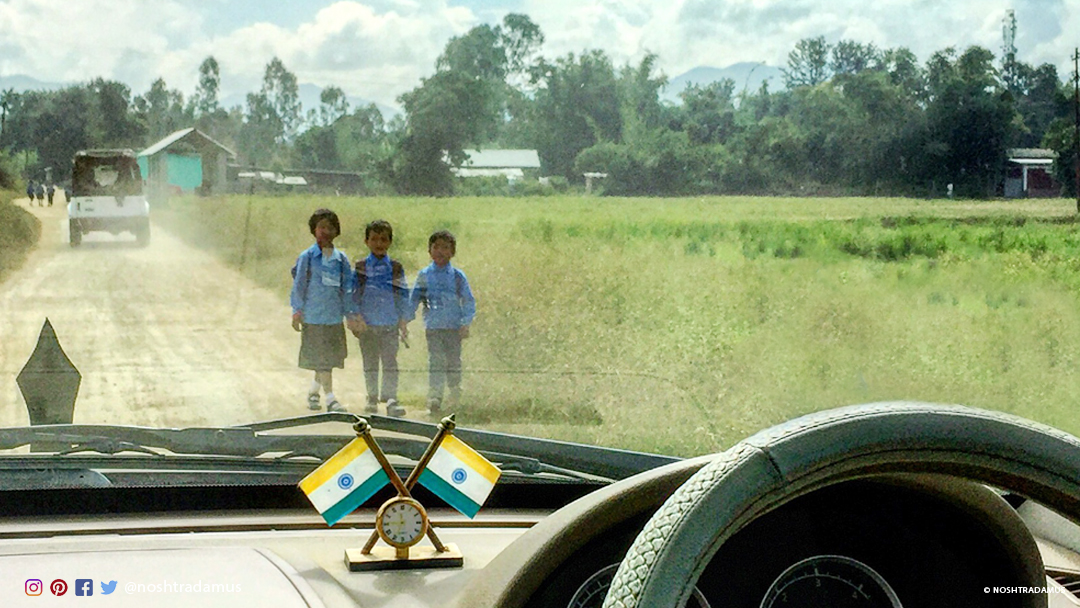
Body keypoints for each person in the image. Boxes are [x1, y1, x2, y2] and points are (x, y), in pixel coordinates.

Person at [290, 208, 358, 413]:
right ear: (314, 230)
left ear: (336, 231)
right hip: (313, 316)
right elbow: (299, 285)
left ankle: (313, 392)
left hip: (334, 317)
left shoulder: (341, 259)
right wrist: (297, 310)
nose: (325, 232)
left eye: (330, 228)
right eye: (321, 227)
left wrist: (351, 314)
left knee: (327, 359)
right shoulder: (308, 257)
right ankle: (330, 398)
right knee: (322, 360)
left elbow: (347, 289)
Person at [410, 230, 476, 414]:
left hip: (454, 328)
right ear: (429, 251)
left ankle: (455, 394)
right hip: (433, 327)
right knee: (436, 361)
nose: (440, 251)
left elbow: (468, 300)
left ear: (452, 252)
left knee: (454, 362)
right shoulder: (424, 275)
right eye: (436, 247)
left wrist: (465, 322)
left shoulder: (457, 276)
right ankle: (435, 397)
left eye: (445, 248)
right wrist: (403, 320)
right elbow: (414, 298)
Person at [353, 219, 413, 417]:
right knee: (370, 363)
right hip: (368, 325)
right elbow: (353, 295)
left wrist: (404, 320)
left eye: (383, 239)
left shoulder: (395, 268)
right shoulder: (361, 267)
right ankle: (371, 398)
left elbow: (403, 294)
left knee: (390, 362)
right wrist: (356, 317)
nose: (379, 243)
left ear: (390, 242)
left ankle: (391, 399)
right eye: (374, 239)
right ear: (366, 241)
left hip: (389, 324)